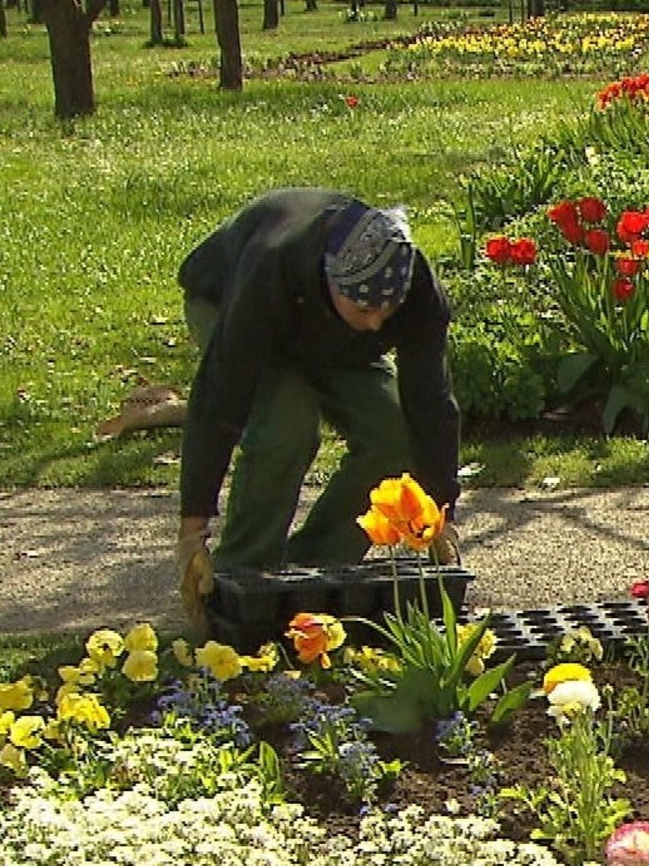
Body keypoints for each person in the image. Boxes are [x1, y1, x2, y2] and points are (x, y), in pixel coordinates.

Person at [173, 188, 461, 627]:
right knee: (286, 425)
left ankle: (311, 577)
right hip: (227, 302)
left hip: (329, 335)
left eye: (389, 309)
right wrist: (192, 530)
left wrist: (441, 511)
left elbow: (431, 401)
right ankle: (240, 582)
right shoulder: (272, 265)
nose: (377, 324)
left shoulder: (414, 288)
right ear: (332, 280)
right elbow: (219, 396)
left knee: (393, 434)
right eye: (365, 307)